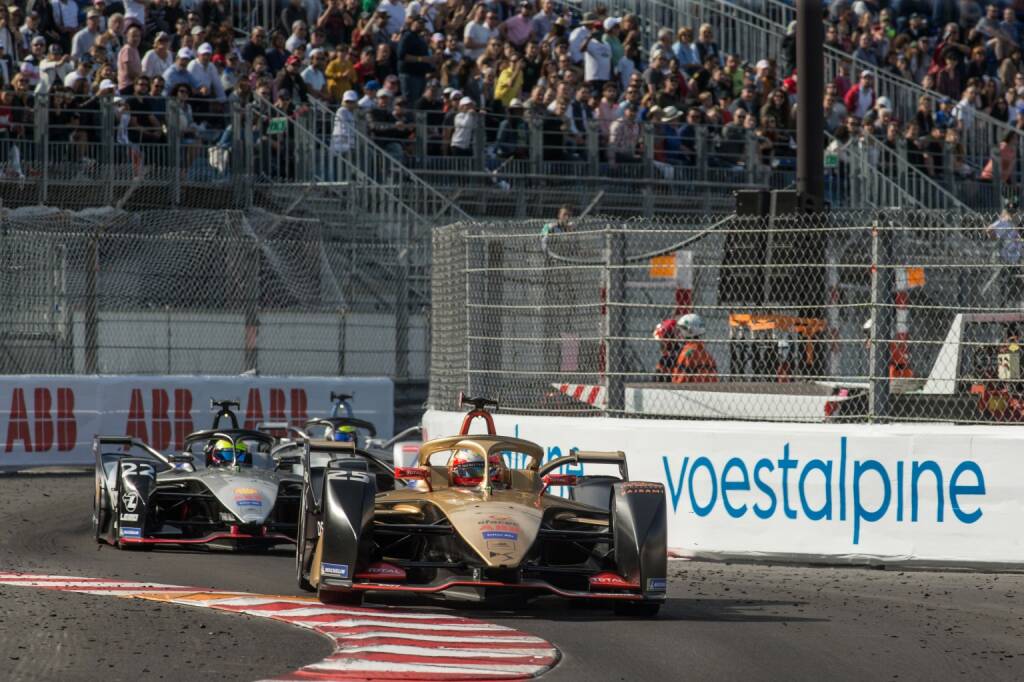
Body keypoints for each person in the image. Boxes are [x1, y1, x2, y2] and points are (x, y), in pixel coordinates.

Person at [671, 313, 718, 383]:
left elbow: (679, 380)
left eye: (681, 330)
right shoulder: (703, 351)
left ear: (689, 331)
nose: (679, 334)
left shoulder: (688, 352)